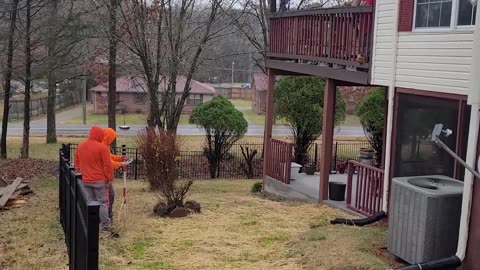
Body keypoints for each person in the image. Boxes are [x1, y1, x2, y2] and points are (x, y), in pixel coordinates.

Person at [74, 126, 113, 229]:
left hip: (85, 180)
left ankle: (91, 225)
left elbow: (77, 163)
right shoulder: (102, 148)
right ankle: (105, 225)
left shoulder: (81, 146)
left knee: (90, 202)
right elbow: (107, 166)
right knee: (102, 203)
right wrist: (109, 178)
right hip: (99, 180)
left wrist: (80, 173)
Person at [102, 127, 129, 222]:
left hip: (106, 177)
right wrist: (121, 164)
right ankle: (107, 219)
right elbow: (109, 163)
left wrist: (120, 158)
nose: (112, 140)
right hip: (103, 177)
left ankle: (108, 217)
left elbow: (111, 157)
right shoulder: (102, 146)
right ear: (108, 137)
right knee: (108, 198)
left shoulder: (105, 146)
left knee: (110, 197)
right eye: (112, 138)